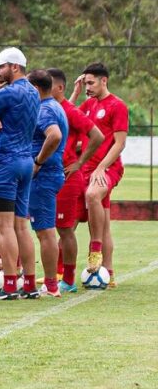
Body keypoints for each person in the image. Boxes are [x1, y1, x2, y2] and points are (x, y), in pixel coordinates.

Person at [0, 47, 40, 300]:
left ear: (14, 67)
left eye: (1, 67)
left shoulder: (5, 94)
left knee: (3, 227)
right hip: (26, 161)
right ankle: (29, 284)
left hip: (5, 162)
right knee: (21, 226)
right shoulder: (33, 92)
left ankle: (9, 285)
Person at [68, 62, 128, 284]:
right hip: (85, 168)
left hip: (108, 168)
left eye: (90, 83)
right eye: (84, 83)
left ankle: (95, 250)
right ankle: (108, 273)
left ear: (104, 81)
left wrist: (102, 166)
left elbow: (119, 143)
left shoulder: (117, 105)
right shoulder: (88, 104)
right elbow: (66, 114)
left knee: (92, 195)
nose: (87, 87)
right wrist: (74, 93)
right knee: (104, 220)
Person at [47, 68, 103, 293]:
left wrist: (79, 163)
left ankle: (68, 280)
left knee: (65, 229)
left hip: (68, 178)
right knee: (47, 229)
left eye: (46, 85)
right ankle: (53, 276)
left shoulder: (69, 111)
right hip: (48, 176)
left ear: (59, 87)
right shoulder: (51, 108)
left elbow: (97, 136)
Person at [26, 69, 67, 299]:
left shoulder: (44, 109)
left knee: (45, 230)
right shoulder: (54, 106)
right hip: (50, 173)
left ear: (35, 89)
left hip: (44, 175)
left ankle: (51, 284)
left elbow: (55, 135)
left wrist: (37, 162)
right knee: (42, 229)